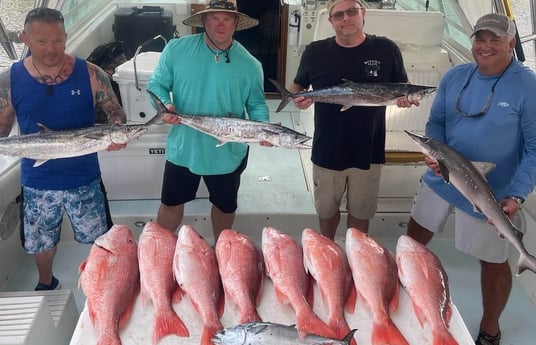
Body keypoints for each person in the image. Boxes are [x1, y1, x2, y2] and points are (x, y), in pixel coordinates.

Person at [406, 13, 536, 345]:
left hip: (492, 192)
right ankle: (406, 291)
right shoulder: (455, 76)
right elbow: (436, 123)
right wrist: (434, 155)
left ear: (511, 42)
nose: (486, 45)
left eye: (495, 39)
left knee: (492, 262)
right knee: (413, 239)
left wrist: (517, 195)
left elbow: (535, 149)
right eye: (480, 38)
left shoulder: (528, 86)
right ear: (472, 41)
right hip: (442, 176)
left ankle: (490, 329)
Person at [0, 8, 128, 291]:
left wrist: (118, 131)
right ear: (25, 38)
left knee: (98, 239)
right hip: (36, 182)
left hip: (85, 178)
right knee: (41, 243)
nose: (51, 49)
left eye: (57, 41)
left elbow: (115, 112)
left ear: (66, 37)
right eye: (42, 41)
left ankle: (101, 284)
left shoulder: (91, 73)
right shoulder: (10, 80)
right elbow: (2, 127)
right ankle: (47, 283)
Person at [290, 0, 418, 239]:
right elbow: (297, 86)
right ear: (331, 21)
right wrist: (299, 98)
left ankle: (357, 258)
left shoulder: (386, 49)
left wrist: (405, 98)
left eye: (352, 12)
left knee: (361, 212)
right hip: (328, 146)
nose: (346, 18)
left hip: (368, 148)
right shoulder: (315, 50)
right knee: (327, 211)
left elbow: (404, 86)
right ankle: (327, 253)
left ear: (363, 14)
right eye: (338, 15)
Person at [147, 0, 269, 240]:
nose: (220, 24)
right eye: (214, 17)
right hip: (184, 146)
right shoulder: (176, 49)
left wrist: (263, 130)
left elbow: (256, 104)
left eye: (227, 18)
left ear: (236, 22)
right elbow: (157, 85)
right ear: (204, 20)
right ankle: (157, 251)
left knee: (225, 207)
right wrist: (165, 104)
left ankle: (224, 253)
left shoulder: (251, 65)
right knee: (170, 204)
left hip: (228, 151)